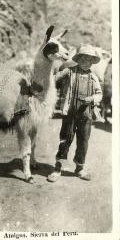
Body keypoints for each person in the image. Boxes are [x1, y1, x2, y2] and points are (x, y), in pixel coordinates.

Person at [47, 44, 103, 182]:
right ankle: (58, 167)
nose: (86, 62)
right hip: (70, 112)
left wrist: (92, 99)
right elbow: (54, 79)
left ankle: (80, 168)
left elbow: (99, 94)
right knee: (66, 138)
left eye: (89, 60)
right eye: (84, 59)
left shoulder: (93, 76)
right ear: (78, 59)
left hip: (86, 114)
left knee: (84, 140)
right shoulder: (69, 71)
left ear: (92, 62)